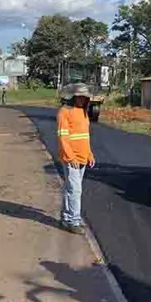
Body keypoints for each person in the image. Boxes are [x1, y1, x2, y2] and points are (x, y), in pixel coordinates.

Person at [57, 83, 96, 235]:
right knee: (75, 190)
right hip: (71, 158)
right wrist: (70, 156)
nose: (82, 99)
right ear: (73, 96)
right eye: (80, 97)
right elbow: (63, 136)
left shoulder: (83, 112)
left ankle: (67, 218)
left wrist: (89, 154)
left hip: (82, 157)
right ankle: (74, 221)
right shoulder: (64, 112)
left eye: (84, 97)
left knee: (71, 189)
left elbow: (85, 136)